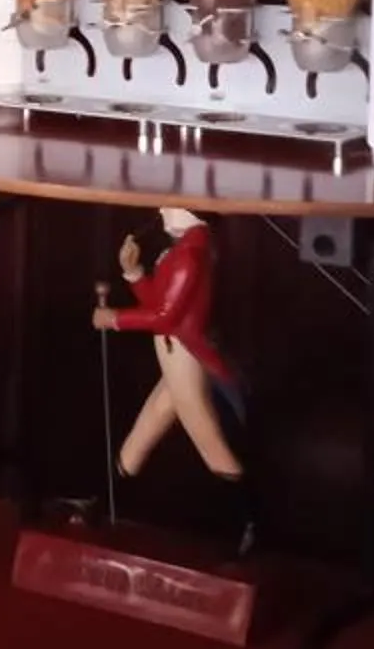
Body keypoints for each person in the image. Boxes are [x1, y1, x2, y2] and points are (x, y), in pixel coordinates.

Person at [91, 205, 253, 545]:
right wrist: (134, 274)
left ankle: (243, 527)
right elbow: (159, 302)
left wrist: (114, 319)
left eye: (173, 202)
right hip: (172, 359)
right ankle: (107, 505)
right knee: (144, 431)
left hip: (183, 360)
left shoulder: (190, 255)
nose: (163, 208)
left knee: (211, 446)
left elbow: (165, 317)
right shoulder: (183, 249)